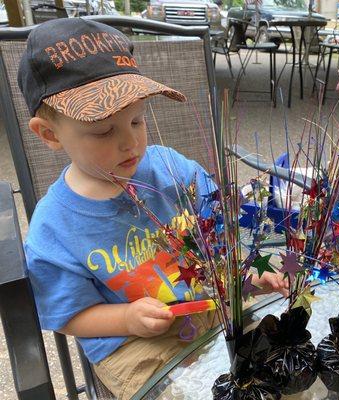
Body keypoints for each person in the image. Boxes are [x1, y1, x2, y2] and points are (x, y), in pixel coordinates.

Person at [19, 18, 288, 399]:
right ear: (48, 134)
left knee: (282, 364)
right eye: (103, 130)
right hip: (135, 345)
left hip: (211, 307)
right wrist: (127, 318)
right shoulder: (54, 228)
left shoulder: (171, 168)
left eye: (137, 120)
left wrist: (247, 273)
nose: (130, 142)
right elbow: (70, 318)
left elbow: (221, 230)